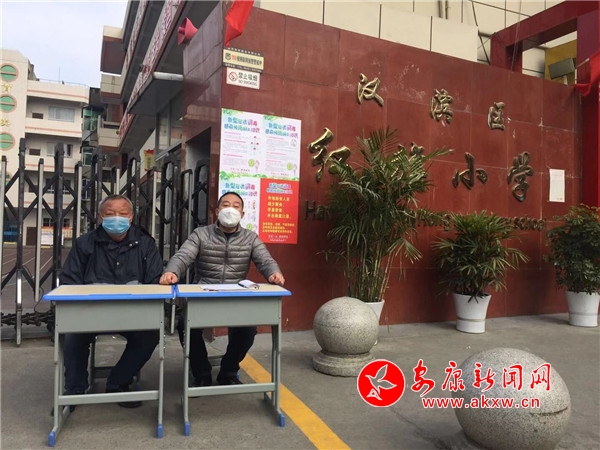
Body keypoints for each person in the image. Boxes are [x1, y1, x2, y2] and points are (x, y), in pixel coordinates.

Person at [159, 191, 285, 386]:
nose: (230, 209)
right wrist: (172, 271)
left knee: (247, 330)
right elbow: (183, 256)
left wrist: (274, 273)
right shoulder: (201, 234)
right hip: (204, 294)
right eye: (225, 205)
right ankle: (201, 373)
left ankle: (228, 370)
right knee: (185, 325)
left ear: (242, 214)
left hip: (237, 297)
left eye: (236, 206)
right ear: (217, 211)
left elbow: (265, 260)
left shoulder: (251, 238)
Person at [59, 194, 164, 408]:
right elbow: (69, 281)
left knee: (150, 336)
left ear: (131, 216)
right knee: (73, 337)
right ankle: (74, 390)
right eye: (110, 214)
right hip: (90, 313)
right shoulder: (85, 244)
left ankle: (118, 382)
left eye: (122, 214)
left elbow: (154, 281)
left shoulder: (145, 244)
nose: (117, 218)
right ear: (100, 217)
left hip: (132, 314)